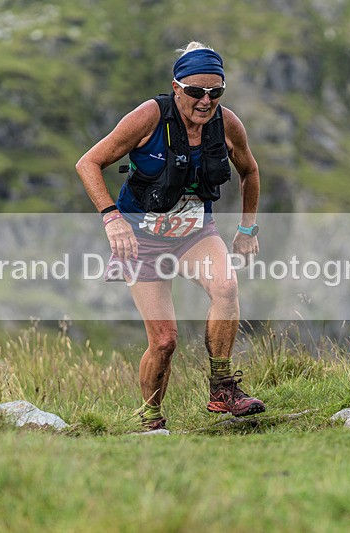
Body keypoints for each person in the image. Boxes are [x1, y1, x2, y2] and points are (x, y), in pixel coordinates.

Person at [76, 42, 265, 432]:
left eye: (216, 92)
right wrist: (112, 219)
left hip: (194, 234)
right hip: (141, 239)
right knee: (164, 341)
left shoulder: (227, 124)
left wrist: (247, 229)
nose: (205, 101)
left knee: (226, 286)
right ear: (176, 87)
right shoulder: (148, 117)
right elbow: (88, 162)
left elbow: (250, 171)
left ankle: (223, 388)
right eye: (196, 92)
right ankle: (150, 419)